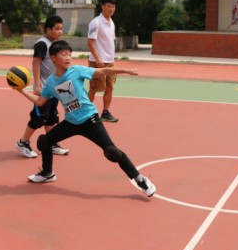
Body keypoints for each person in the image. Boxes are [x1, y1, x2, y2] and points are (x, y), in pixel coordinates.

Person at [14, 40, 156, 198]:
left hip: (90, 120)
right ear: (53, 58)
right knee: (44, 142)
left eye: (70, 54)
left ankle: (140, 179)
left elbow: (102, 72)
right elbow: (40, 101)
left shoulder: (77, 70)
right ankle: (47, 173)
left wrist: (126, 70)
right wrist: (21, 91)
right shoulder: (51, 83)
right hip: (71, 122)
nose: (68, 57)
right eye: (64, 54)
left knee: (112, 151)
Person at [15, 15, 69, 158]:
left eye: (61, 29)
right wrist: (37, 85)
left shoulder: (56, 44)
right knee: (39, 118)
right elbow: (36, 63)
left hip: (53, 88)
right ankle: (23, 142)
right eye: (57, 29)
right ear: (48, 29)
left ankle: (51, 143)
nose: (60, 31)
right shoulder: (42, 44)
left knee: (51, 117)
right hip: (43, 88)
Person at [87, 0, 119, 122]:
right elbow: (90, 42)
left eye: (113, 6)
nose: (111, 9)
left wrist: (111, 59)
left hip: (110, 62)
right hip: (97, 62)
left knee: (110, 87)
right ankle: (87, 113)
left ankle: (105, 112)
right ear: (102, 7)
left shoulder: (111, 22)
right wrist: (98, 59)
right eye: (109, 6)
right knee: (94, 88)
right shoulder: (96, 22)